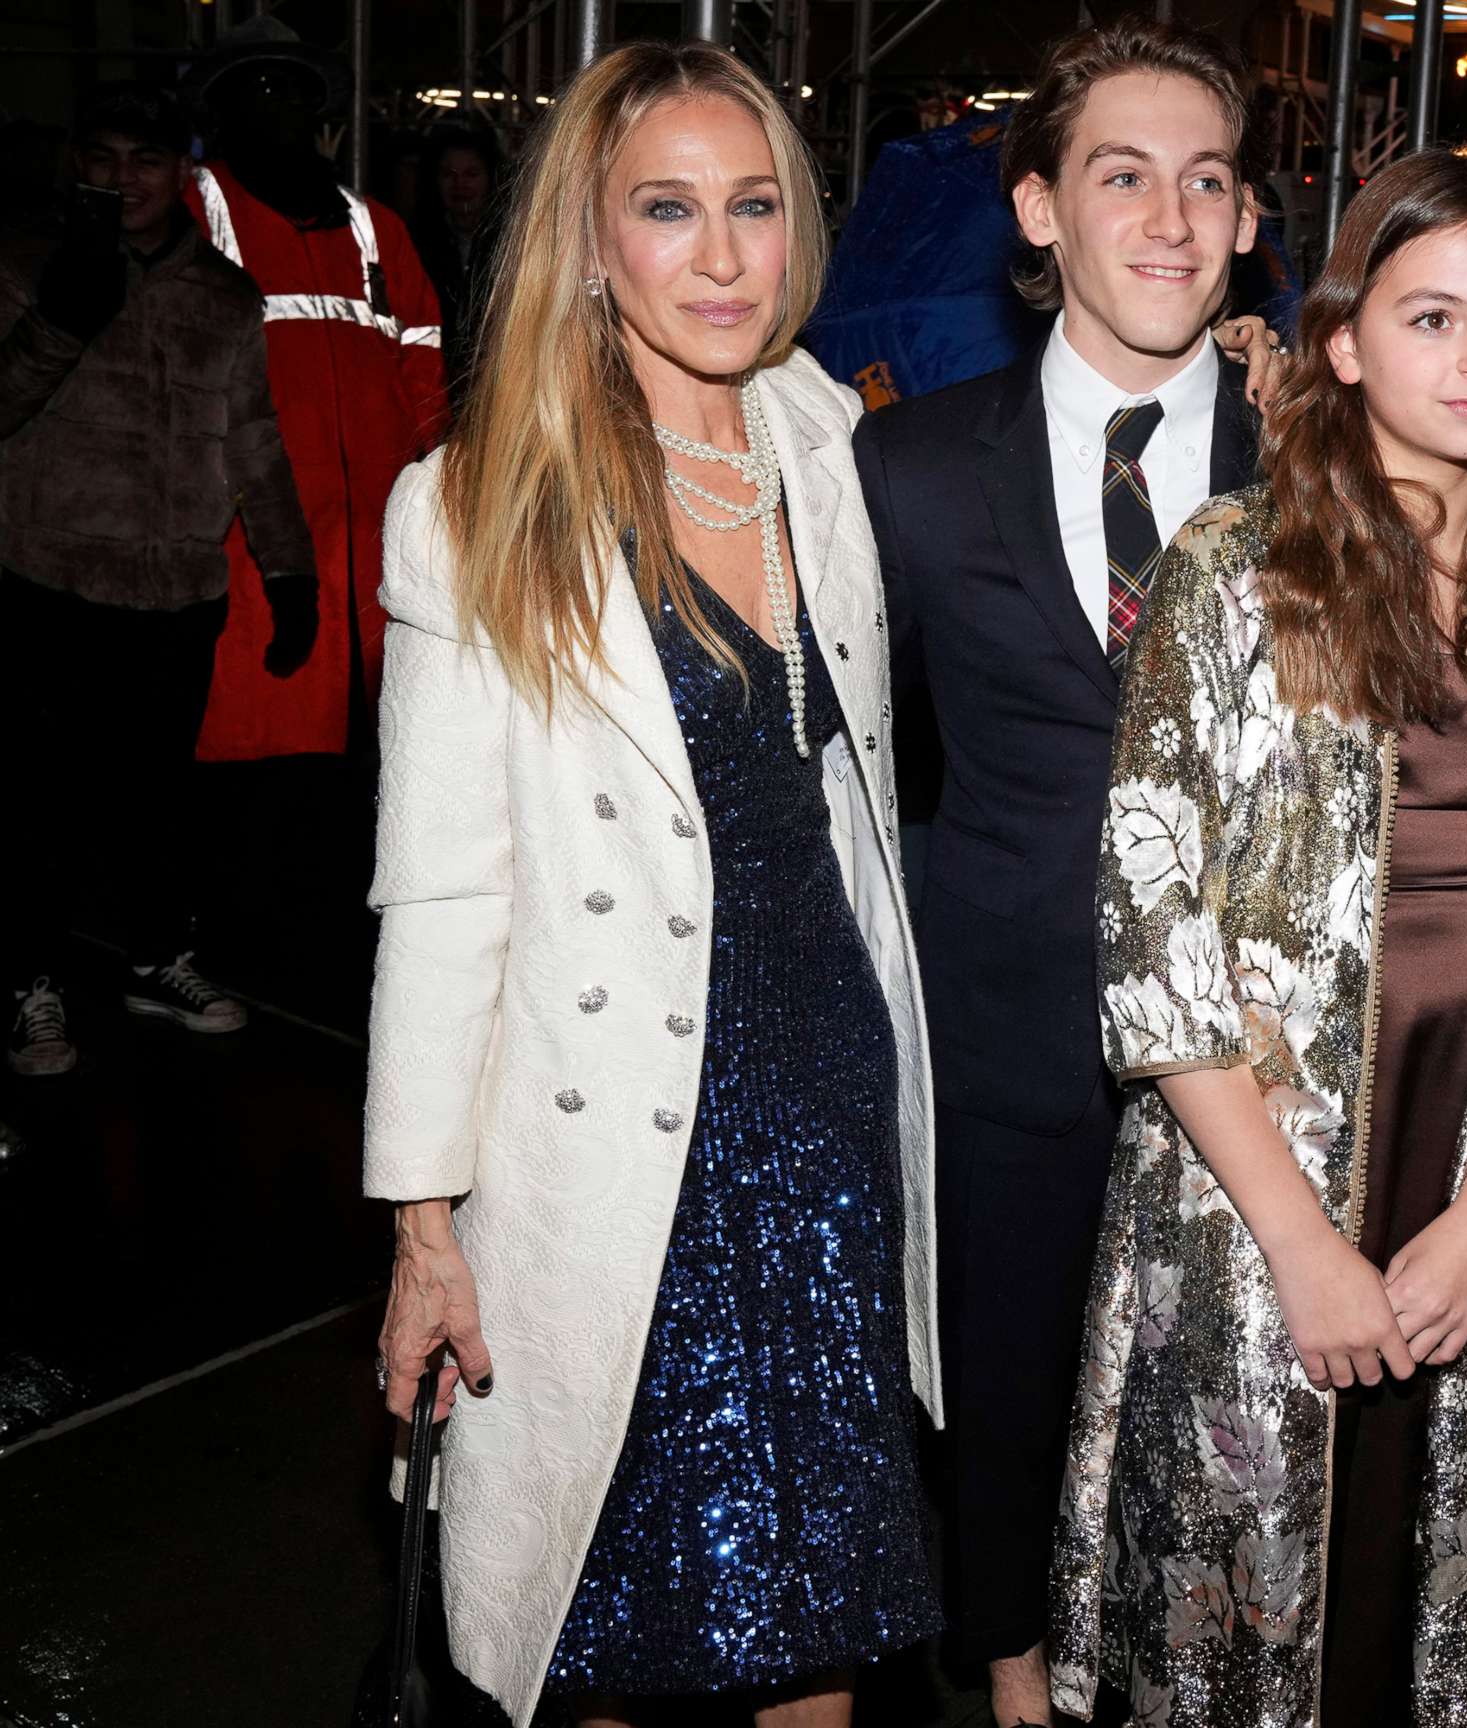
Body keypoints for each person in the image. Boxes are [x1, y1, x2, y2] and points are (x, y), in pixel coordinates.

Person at [366, 43, 938, 1728]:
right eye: (667, 210)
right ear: (589, 240)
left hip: (829, 1105)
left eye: (753, 207)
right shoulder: (475, 509)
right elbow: (441, 895)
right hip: (608, 1134)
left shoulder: (832, 443)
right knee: (606, 1621)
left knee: (815, 1608)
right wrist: (422, 1219)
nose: (718, 254)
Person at [1047, 148, 1467, 1728]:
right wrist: (1304, 1246)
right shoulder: (1237, 567)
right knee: (1244, 1602)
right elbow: (1152, 941)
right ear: (1348, 339)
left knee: (1417, 1604)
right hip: (1256, 1182)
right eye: (1434, 318)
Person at [846, 21, 1270, 1726]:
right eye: (1119, 176)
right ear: (1034, 209)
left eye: (1207, 180)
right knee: (1000, 1384)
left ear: (1247, 221)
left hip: (1263, 1051)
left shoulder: (1325, 460)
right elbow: (854, 764)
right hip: (1003, 1023)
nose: (1168, 219)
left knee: (1227, 1409)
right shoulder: (904, 464)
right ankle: (1008, 1669)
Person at [0, 81, 315, 1078]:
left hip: (176, 591)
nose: (124, 180)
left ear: (182, 173)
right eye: (105, 157)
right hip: (44, 575)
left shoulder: (224, 295)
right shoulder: (23, 264)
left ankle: (153, 957)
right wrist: (57, 320)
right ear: (76, 162)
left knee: (156, 803)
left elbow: (255, 446)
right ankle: (25, 982)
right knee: (37, 802)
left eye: (147, 160)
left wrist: (288, 567)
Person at [180, 16, 450, 762]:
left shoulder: (376, 230)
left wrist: (437, 495)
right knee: (249, 755)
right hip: (245, 542)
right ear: (223, 108)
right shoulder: (191, 214)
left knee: (365, 765)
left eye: (297, 90)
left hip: (373, 547)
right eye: (261, 88)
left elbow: (424, 371)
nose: (283, 106)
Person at [409, 122, 507, 398]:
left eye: (471, 174)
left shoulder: (512, 244)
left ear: (490, 179)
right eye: (448, 175)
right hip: (432, 390)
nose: (460, 185)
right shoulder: (417, 244)